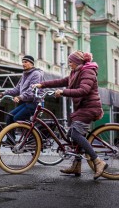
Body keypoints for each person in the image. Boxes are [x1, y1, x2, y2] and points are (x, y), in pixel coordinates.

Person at [33, 50, 107, 180]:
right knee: (72, 136)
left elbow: (84, 90)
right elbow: (61, 81)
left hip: (90, 107)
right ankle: (76, 165)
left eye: (71, 62)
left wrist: (63, 92)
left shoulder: (87, 71)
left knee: (75, 134)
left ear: (77, 62)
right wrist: (42, 85)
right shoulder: (76, 72)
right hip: (82, 108)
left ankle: (97, 161)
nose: (69, 64)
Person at [0, 55, 44, 127]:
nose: (23, 64)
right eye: (22, 62)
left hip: (35, 103)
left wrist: (20, 97)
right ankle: (10, 138)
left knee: (17, 118)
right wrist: (3, 93)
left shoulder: (36, 74)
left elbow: (32, 90)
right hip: (27, 103)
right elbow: (17, 89)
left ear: (31, 64)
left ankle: (29, 136)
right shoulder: (24, 75)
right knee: (9, 117)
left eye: (25, 62)